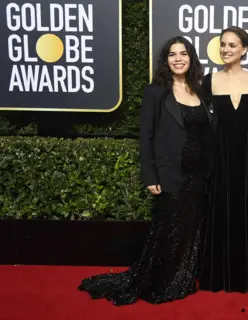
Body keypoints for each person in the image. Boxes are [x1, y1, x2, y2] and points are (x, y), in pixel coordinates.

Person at [78, 36, 214, 306]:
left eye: (183, 53)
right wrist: (150, 175)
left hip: (198, 176)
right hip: (170, 174)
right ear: (165, 60)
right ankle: (159, 282)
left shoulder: (199, 90)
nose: (178, 58)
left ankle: (182, 279)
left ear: (191, 58)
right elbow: (146, 136)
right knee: (167, 231)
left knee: (190, 229)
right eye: (172, 54)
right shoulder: (155, 92)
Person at [198, 26, 248, 293]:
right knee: (221, 208)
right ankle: (219, 273)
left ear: (245, 49)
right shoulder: (209, 80)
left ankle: (245, 273)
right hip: (221, 152)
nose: (226, 50)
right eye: (223, 45)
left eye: (232, 45)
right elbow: (199, 120)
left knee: (246, 209)